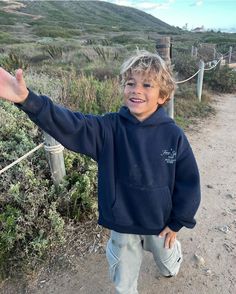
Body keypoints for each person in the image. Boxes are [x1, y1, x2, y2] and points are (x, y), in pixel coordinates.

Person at [0, 50, 201, 294]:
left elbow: (188, 181)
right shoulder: (108, 128)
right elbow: (71, 124)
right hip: (122, 222)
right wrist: (27, 99)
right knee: (124, 280)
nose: (136, 89)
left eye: (147, 84)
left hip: (160, 222)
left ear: (163, 95)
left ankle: (171, 262)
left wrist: (178, 221)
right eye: (130, 83)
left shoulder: (173, 135)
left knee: (167, 262)